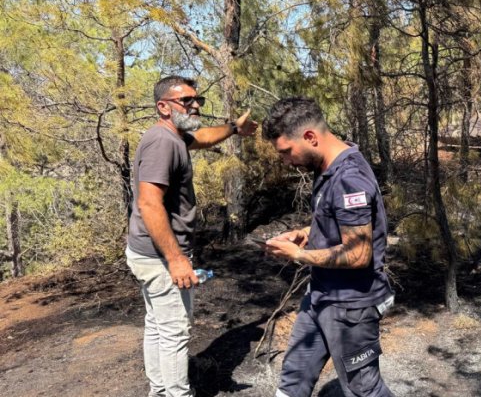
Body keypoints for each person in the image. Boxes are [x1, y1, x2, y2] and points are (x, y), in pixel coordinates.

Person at [125, 75, 257, 397]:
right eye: (186, 101)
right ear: (164, 107)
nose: (195, 105)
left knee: (158, 326)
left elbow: (205, 137)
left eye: (198, 100)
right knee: (174, 333)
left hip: (147, 252)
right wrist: (176, 259)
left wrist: (235, 129)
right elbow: (149, 203)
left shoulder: (175, 137)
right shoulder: (162, 142)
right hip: (160, 257)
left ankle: (159, 391)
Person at [261, 96, 395, 397]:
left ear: (310, 137)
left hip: (350, 306)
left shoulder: (350, 178)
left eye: (286, 152)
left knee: (364, 388)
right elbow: (339, 220)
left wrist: (299, 255)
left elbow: (359, 254)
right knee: (294, 377)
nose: (285, 161)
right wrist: (307, 233)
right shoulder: (329, 164)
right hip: (321, 295)